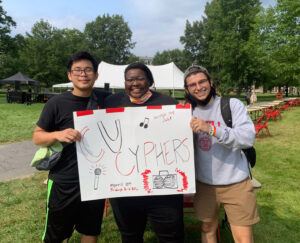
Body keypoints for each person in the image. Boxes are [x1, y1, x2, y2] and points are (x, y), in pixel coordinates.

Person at [104, 62, 184, 243]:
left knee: (170, 236)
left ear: (149, 81)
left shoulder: (169, 104)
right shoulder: (111, 102)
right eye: (129, 79)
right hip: (126, 187)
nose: (134, 83)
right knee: (130, 236)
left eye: (139, 78)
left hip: (162, 188)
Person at [33, 51, 108, 243]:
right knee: (57, 234)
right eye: (78, 70)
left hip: (96, 178)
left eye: (88, 70)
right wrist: (58, 134)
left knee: (91, 230)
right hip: (64, 179)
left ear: (96, 74)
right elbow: (37, 136)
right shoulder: (56, 103)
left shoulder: (107, 100)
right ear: (69, 75)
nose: (83, 74)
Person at [183, 65, 259, 243]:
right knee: (207, 228)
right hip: (204, 184)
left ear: (211, 82)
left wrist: (212, 129)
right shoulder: (186, 112)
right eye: (192, 84)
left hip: (236, 182)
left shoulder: (231, 105)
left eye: (202, 81)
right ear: (187, 89)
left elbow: (247, 138)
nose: (198, 87)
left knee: (243, 238)